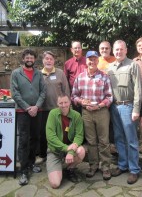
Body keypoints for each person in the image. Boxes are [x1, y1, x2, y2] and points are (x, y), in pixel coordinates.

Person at [71, 50, 113, 180]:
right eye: (90, 59)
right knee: (91, 141)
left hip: (101, 111)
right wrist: (81, 101)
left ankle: (106, 167)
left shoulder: (104, 77)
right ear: (86, 61)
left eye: (94, 59)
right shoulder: (80, 77)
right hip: (87, 112)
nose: (92, 61)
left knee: (104, 141)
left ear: (98, 61)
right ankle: (93, 165)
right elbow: (74, 96)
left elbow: (110, 97)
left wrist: (99, 105)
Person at [108, 40, 142, 184]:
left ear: (126, 50)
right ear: (113, 51)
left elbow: (137, 89)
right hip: (114, 107)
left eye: (121, 49)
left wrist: (136, 109)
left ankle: (134, 170)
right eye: (116, 50)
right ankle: (122, 165)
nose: (118, 52)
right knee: (119, 139)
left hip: (128, 107)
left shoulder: (133, 65)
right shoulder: (110, 68)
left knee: (132, 140)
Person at [10, 49, 46, 186]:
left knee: (35, 138)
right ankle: (23, 170)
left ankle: (31, 164)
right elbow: (15, 93)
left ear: (34, 59)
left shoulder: (38, 73)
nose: (29, 59)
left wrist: (36, 106)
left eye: (32, 57)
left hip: (37, 110)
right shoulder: (16, 73)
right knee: (23, 140)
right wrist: (27, 107)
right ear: (23, 58)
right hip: (22, 111)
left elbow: (43, 91)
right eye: (27, 57)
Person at [36, 51, 70, 164]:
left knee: (63, 132)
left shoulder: (60, 73)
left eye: (51, 59)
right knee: (43, 133)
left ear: (54, 60)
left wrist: (67, 107)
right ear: (43, 61)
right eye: (46, 59)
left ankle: (64, 154)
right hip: (43, 110)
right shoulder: (39, 74)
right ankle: (43, 155)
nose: (48, 61)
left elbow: (66, 90)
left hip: (59, 109)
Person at [46, 95, 85, 189]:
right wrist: (67, 148)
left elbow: (79, 136)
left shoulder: (76, 115)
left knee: (81, 151)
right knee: (55, 184)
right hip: (55, 151)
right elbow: (50, 137)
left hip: (70, 148)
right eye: (61, 103)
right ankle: (58, 166)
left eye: (65, 102)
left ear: (70, 103)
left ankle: (70, 169)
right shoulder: (52, 114)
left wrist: (71, 151)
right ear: (57, 104)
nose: (63, 105)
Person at [98, 41, 116, 153]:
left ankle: (113, 145)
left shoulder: (116, 60)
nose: (104, 50)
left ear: (110, 49)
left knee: (113, 122)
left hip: (115, 96)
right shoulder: (97, 61)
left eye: (107, 48)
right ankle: (102, 144)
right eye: (102, 48)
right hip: (101, 98)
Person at [64, 41, 87, 113]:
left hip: (86, 95)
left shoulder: (88, 61)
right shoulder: (67, 63)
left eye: (79, 48)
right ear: (71, 50)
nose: (77, 50)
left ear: (81, 49)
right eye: (75, 48)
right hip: (74, 96)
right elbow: (65, 81)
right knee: (76, 117)